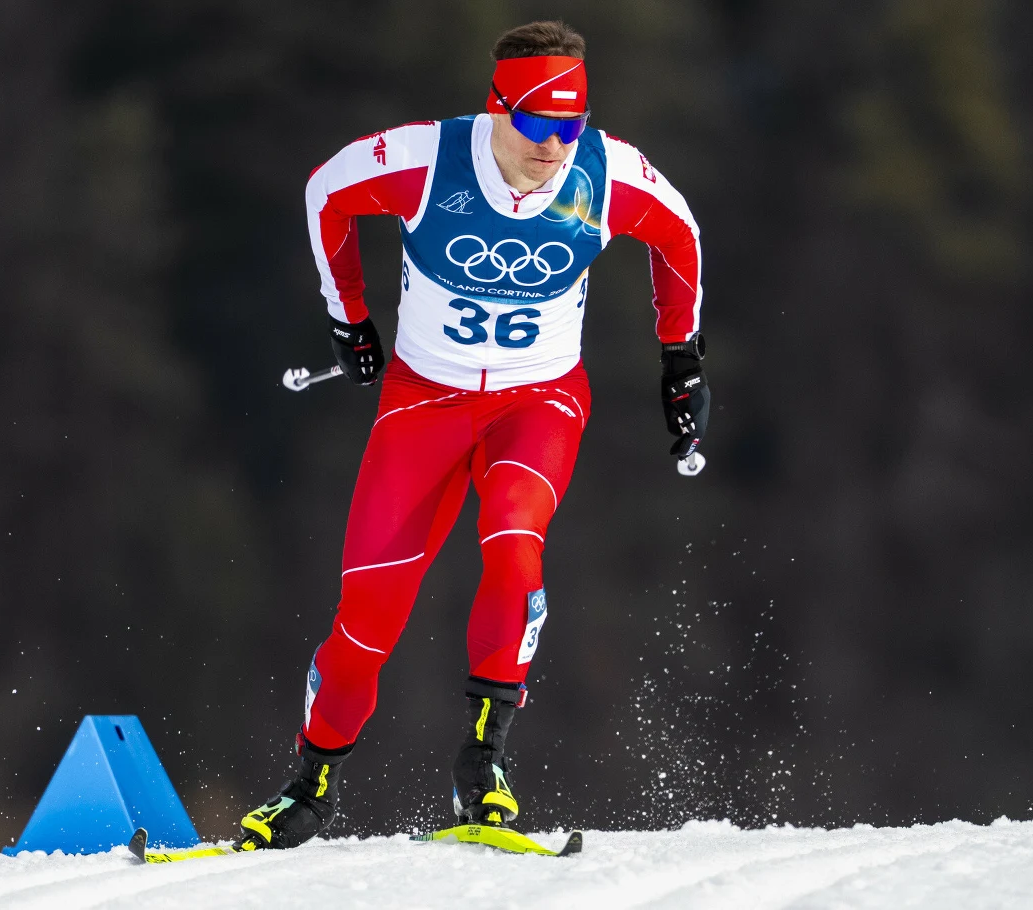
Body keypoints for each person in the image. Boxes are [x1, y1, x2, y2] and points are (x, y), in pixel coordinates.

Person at [236, 19, 710, 849]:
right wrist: (348, 320)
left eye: (570, 127)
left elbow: (680, 236)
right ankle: (308, 789)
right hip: (423, 404)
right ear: (496, 109)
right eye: (536, 126)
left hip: (540, 402)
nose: (553, 148)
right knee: (367, 617)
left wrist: (683, 361)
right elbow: (325, 194)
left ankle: (482, 762)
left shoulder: (605, 174)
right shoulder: (428, 159)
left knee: (515, 544)